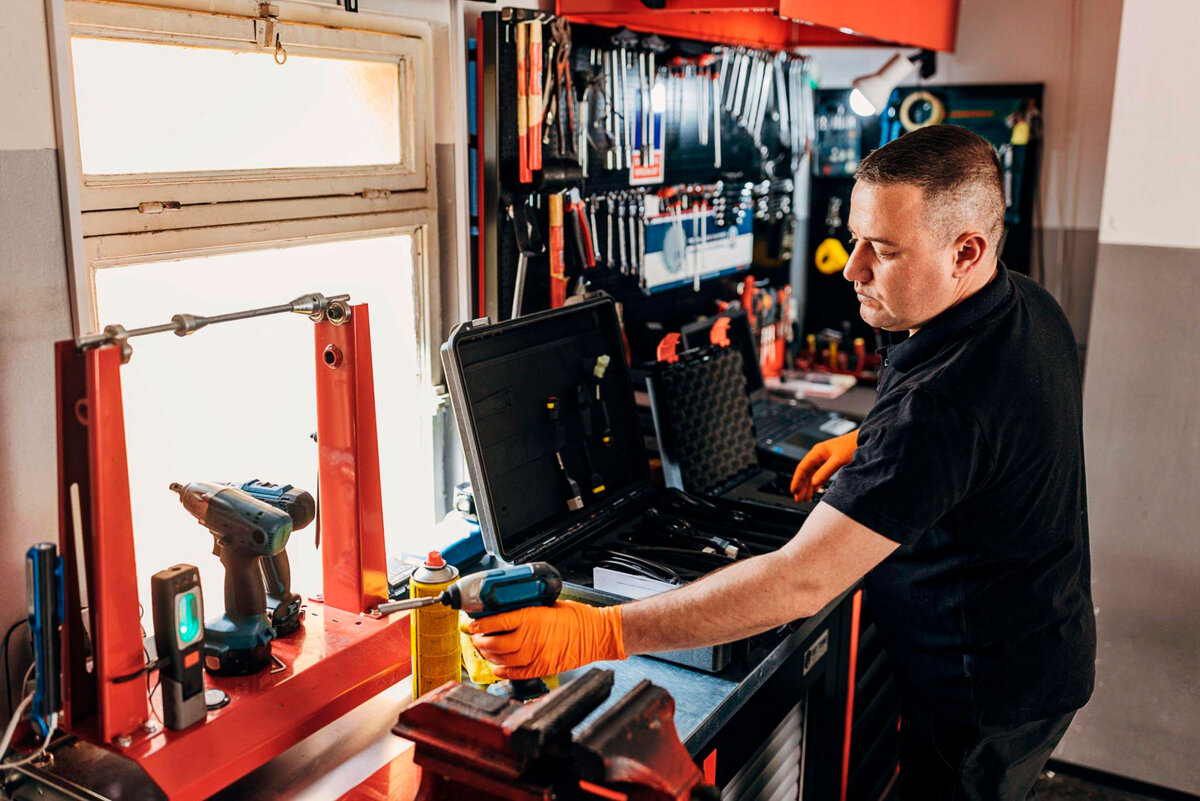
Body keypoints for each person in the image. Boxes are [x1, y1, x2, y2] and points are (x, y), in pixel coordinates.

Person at [467, 125, 1095, 800]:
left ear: (965, 252)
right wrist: (869, 445)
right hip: (1040, 635)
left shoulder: (941, 410)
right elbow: (997, 433)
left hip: (989, 693)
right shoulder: (1024, 302)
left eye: (881, 250)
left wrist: (599, 629)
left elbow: (799, 582)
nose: (850, 268)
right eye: (855, 238)